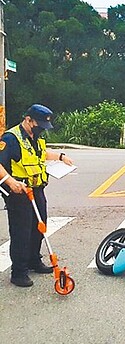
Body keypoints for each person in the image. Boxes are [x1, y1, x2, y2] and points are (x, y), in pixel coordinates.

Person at [0, 104, 74, 287]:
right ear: (28, 120)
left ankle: (34, 260)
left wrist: (60, 157)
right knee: (21, 232)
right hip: (19, 192)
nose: (41, 129)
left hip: (37, 189)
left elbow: (41, 153)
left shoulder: (36, 136)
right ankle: (19, 272)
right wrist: (10, 182)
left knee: (39, 227)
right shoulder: (10, 138)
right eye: (38, 125)